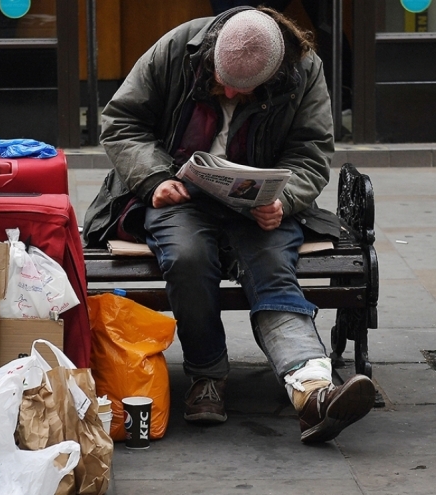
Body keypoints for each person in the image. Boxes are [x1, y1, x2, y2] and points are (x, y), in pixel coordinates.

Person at [81, 6, 375, 443]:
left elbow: (310, 150)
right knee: (187, 257)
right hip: (177, 194)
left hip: (259, 201)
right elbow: (122, 122)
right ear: (215, 55)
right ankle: (207, 377)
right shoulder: (179, 47)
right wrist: (154, 179)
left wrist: (284, 199)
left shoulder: (304, 69)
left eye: (245, 90)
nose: (231, 96)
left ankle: (312, 391)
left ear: (273, 73)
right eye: (223, 84)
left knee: (272, 264)